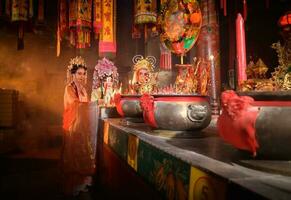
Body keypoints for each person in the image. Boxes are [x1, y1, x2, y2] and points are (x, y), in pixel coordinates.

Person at [62, 56, 95, 197]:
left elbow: (86, 106)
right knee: (74, 153)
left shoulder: (84, 89)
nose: (82, 76)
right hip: (73, 125)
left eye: (84, 74)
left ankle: (84, 182)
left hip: (84, 125)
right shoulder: (69, 88)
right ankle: (74, 184)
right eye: (79, 74)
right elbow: (73, 103)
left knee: (84, 151)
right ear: (73, 74)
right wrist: (89, 105)